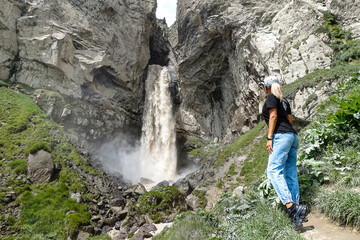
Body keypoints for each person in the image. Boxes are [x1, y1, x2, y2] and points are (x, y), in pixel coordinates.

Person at [261, 76, 307, 230]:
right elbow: (290, 120)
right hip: (292, 137)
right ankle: (298, 213)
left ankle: (291, 207)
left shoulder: (271, 99)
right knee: (290, 173)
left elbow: (273, 116)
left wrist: (269, 138)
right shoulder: (284, 101)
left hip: (281, 137)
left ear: (267, 87)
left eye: (263, 86)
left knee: (273, 171)